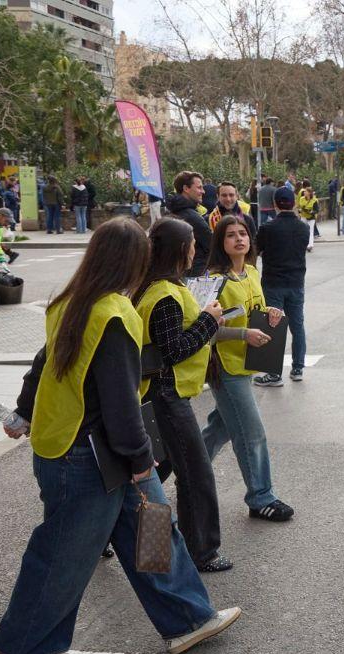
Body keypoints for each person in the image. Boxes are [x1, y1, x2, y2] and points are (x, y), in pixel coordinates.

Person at [0, 218, 240, 654]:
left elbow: (43, 364)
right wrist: (141, 458)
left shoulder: (70, 302)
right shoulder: (115, 313)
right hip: (88, 454)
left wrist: (23, 411)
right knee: (63, 552)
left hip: (76, 446)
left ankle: (188, 618)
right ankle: (25, 645)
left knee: (152, 529)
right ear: (133, 260)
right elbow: (120, 399)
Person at [134, 218, 232, 573]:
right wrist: (208, 320)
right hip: (166, 398)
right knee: (195, 475)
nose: (196, 249)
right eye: (192, 243)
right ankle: (199, 552)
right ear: (180, 249)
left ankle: (142, 550)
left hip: (159, 396)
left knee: (152, 477)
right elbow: (173, 351)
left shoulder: (153, 288)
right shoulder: (164, 295)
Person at [201, 215, 295, 522]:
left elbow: (255, 310)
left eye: (243, 234)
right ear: (221, 243)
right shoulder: (215, 280)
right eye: (231, 235)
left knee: (222, 427)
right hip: (225, 367)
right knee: (252, 432)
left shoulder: (252, 272)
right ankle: (261, 497)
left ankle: (187, 470)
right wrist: (244, 334)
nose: (239, 239)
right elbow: (205, 330)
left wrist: (271, 313)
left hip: (249, 362)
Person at [254, 186, 310, 385]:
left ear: (275, 204)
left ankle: (274, 374)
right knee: (297, 326)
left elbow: (257, 250)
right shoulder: (304, 227)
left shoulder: (267, 228)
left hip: (273, 282)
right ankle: (297, 369)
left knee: (273, 326)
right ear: (294, 203)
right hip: (296, 283)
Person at [164, 171, 214, 277]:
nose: (203, 191)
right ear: (186, 189)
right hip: (195, 273)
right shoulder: (192, 217)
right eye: (199, 187)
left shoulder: (171, 212)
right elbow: (212, 245)